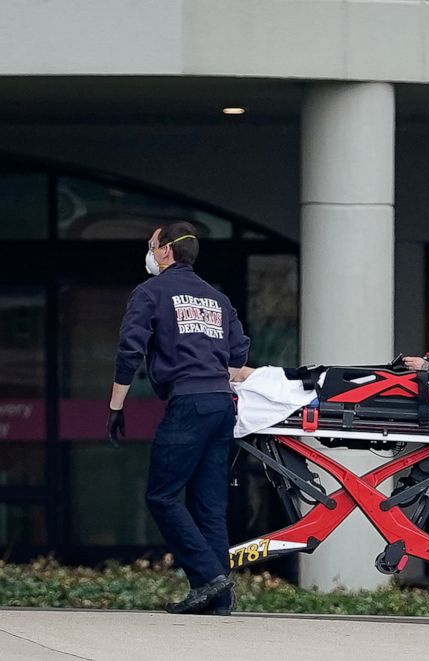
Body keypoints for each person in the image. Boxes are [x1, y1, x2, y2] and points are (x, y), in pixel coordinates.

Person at [107, 221, 251, 616]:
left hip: (188, 405)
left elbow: (130, 350)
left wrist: (116, 406)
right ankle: (218, 601)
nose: (150, 253)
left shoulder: (150, 292)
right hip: (222, 406)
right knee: (209, 505)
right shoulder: (217, 299)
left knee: (162, 494)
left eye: (152, 246)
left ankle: (210, 577)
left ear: (167, 250)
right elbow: (237, 356)